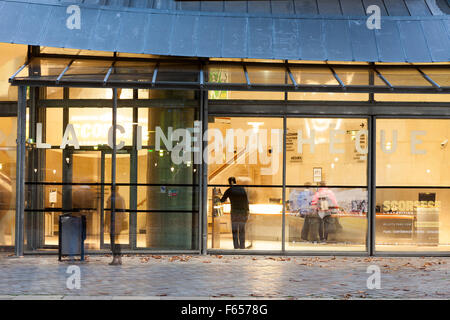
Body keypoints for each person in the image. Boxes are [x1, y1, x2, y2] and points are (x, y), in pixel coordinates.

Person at [220, 177, 250, 249]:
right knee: (242, 230)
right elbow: (246, 201)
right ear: (235, 181)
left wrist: (219, 196)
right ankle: (242, 246)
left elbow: (222, 200)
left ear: (230, 182)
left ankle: (236, 246)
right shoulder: (242, 189)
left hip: (234, 213)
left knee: (235, 230)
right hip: (243, 212)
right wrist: (247, 212)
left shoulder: (229, 190)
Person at [106, 186, 126, 265]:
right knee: (117, 239)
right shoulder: (121, 198)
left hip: (113, 222)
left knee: (113, 240)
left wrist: (106, 223)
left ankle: (115, 258)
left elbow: (107, 212)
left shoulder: (111, 198)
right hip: (119, 222)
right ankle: (119, 258)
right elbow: (124, 212)